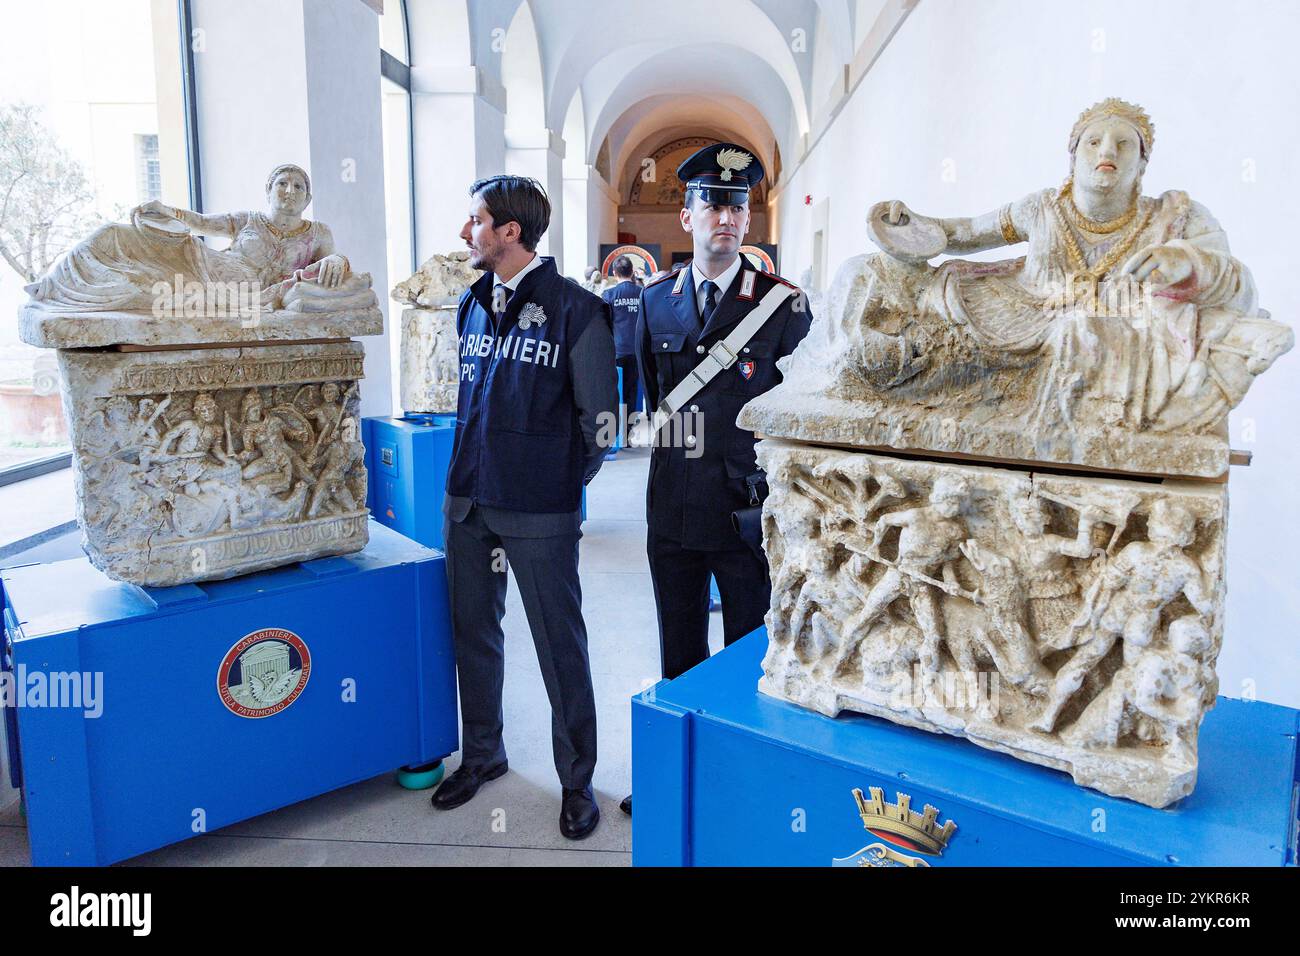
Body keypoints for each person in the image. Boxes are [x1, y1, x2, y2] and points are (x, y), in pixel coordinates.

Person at [623, 144, 811, 815]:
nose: (725, 217)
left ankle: (742, 782)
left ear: (748, 222)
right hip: (671, 506)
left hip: (745, 508)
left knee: (747, 649)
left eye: (737, 206)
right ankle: (679, 773)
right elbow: (655, 403)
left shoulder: (784, 308)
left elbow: (802, 410)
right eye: (712, 204)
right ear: (687, 215)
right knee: (677, 644)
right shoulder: (653, 303)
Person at [433, 175, 617, 841]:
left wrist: (553, 481)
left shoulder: (577, 309)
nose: (465, 233)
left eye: (475, 220)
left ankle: (576, 781)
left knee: (557, 645)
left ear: (510, 232)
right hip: (469, 500)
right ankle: (483, 753)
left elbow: (601, 426)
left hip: (539, 510)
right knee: (473, 636)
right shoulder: (471, 303)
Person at [602, 255, 643, 444]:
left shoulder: (609, 295)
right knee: (632, 392)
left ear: (614, 273)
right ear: (632, 271)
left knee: (614, 392)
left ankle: (614, 431)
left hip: (616, 351)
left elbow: (603, 325)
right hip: (637, 351)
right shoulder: (642, 293)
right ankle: (627, 431)